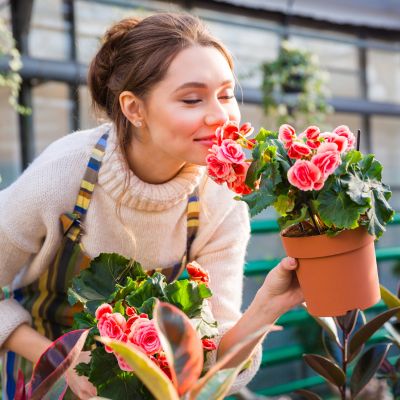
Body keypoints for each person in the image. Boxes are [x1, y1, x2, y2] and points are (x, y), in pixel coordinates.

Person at [0, 12, 304, 399]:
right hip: (42, 377)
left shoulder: (221, 197)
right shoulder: (64, 174)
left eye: (226, 94)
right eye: (192, 99)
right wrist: (59, 358)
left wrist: (267, 308)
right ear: (134, 109)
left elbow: (211, 360)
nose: (220, 116)